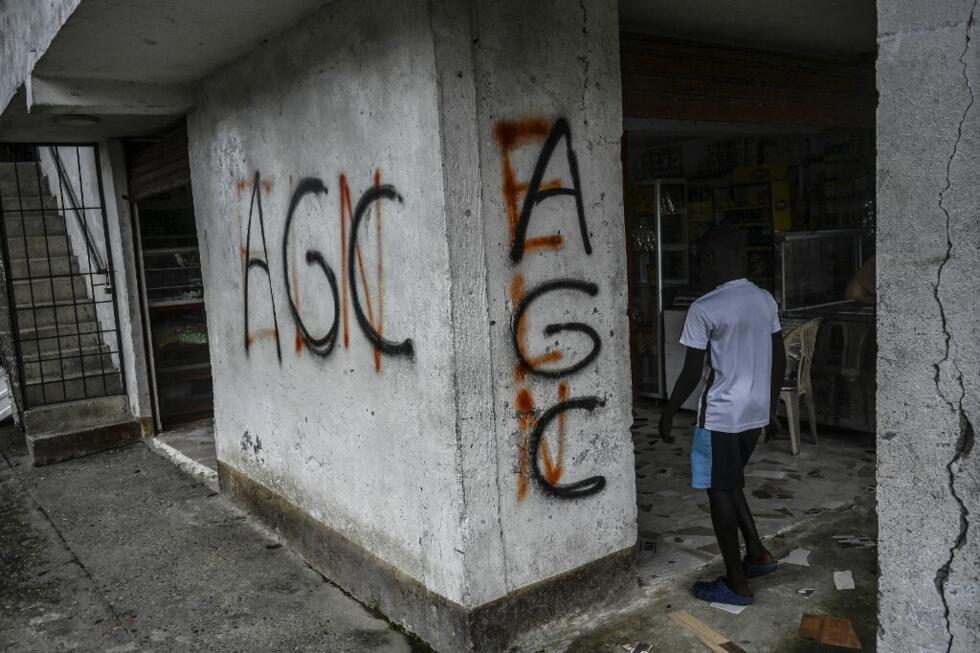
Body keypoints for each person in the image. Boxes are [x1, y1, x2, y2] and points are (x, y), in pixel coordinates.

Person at [657, 223, 786, 606]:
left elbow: (692, 372)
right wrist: (772, 407)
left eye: (701, 261)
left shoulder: (705, 307)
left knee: (719, 491)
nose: (701, 269)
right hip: (754, 411)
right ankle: (758, 554)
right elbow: (778, 360)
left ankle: (735, 583)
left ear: (714, 258)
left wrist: (668, 411)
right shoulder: (764, 299)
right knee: (730, 482)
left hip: (721, 416)